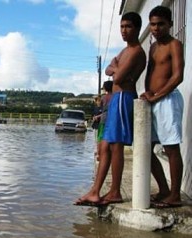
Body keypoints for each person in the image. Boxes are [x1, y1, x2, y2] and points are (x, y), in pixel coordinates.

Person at [74, 12, 146, 206]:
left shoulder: (137, 51)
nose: (124, 31)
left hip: (123, 98)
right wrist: (115, 68)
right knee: (105, 146)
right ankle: (95, 191)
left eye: (128, 27)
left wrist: (116, 69)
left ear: (137, 28)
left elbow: (118, 78)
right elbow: (108, 70)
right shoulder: (124, 51)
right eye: (122, 27)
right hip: (116, 98)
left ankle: (115, 191)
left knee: (116, 146)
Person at [140, 6, 184, 208]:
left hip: (167, 100)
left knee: (171, 148)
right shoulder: (153, 47)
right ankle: (164, 189)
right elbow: (151, 74)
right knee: (146, 148)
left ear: (170, 24)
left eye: (160, 24)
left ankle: (175, 195)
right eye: (153, 24)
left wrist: (157, 96)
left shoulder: (175, 44)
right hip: (153, 101)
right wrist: (148, 92)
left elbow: (177, 76)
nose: (156, 28)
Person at [95, 80, 113, 161]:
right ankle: (109, 154)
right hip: (113, 119)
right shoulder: (115, 97)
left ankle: (99, 154)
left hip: (103, 119)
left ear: (105, 88)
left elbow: (99, 106)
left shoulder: (103, 98)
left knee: (100, 137)